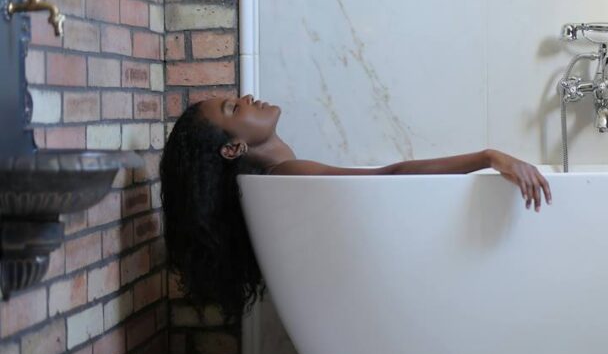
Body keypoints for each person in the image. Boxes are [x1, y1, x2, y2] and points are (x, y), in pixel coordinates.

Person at [159, 94, 552, 322]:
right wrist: (488, 157)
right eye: (233, 108)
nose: (246, 99)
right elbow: (390, 176)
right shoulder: (291, 173)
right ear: (233, 148)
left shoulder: (285, 174)